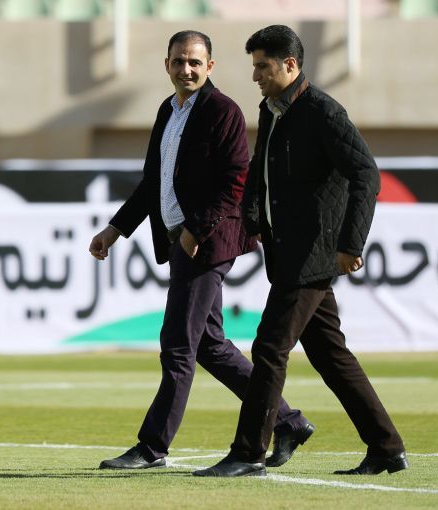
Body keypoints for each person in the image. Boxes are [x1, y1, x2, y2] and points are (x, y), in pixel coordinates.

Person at [90, 30, 314, 471]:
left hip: (207, 242)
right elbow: (153, 182)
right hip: (184, 239)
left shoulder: (223, 111)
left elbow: (236, 181)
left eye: (195, 62)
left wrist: (195, 231)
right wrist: (115, 230)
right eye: (178, 61)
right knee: (210, 345)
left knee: (177, 344)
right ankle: (287, 421)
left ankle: (152, 447)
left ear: (210, 66)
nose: (186, 69)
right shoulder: (167, 110)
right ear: (167, 65)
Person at [194, 25, 408, 478]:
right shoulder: (273, 110)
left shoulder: (323, 112)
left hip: (312, 254)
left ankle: (249, 453)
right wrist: (253, 220)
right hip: (287, 252)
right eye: (254, 66)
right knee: (331, 355)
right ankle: (386, 447)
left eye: (263, 66)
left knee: (269, 348)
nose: (255, 75)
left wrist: (350, 243)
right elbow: (260, 171)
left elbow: (366, 175)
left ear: (290, 65)